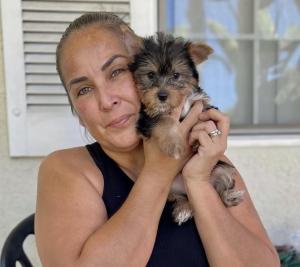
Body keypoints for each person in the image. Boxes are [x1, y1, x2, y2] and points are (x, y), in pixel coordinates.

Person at [35, 12, 280, 267]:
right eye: (84, 90)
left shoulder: (207, 158)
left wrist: (197, 181)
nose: (107, 101)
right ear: (77, 113)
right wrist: (158, 172)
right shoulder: (66, 170)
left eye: (117, 71)